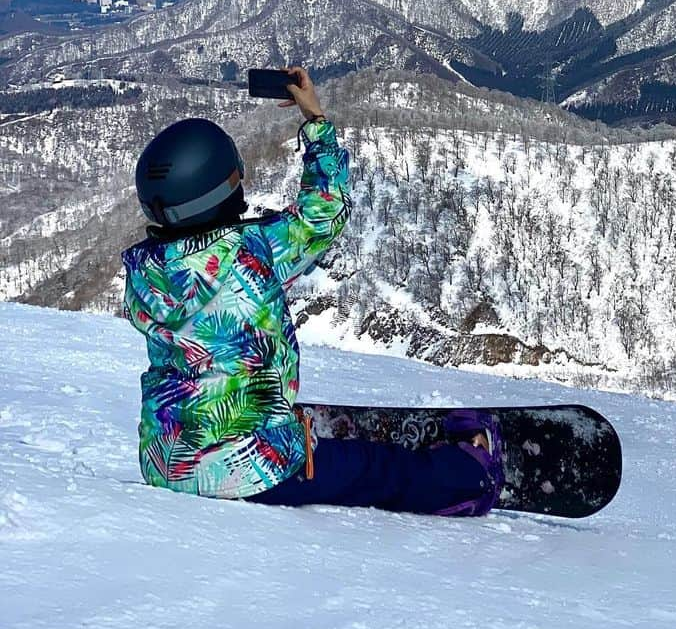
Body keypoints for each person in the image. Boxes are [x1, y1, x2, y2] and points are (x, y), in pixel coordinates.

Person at [122, 66, 503, 515]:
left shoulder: (143, 272)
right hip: (254, 470)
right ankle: (470, 476)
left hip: (168, 466)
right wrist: (315, 123)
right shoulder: (251, 253)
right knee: (377, 471)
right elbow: (324, 209)